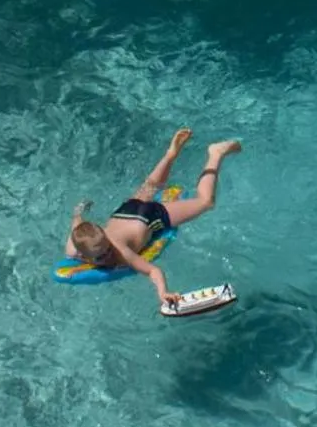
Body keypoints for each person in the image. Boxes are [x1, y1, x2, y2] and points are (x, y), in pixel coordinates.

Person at [66, 128, 243, 307]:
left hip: (148, 217)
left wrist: (162, 292)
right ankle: (170, 154)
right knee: (150, 186)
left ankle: (216, 153)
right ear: (84, 255)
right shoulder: (74, 248)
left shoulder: (119, 251)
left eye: (107, 249)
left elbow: (153, 271)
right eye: (100, 256)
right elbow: (77, 224)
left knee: (205, 202)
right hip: (125, 211)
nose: (108, 254)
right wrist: (79, 211)